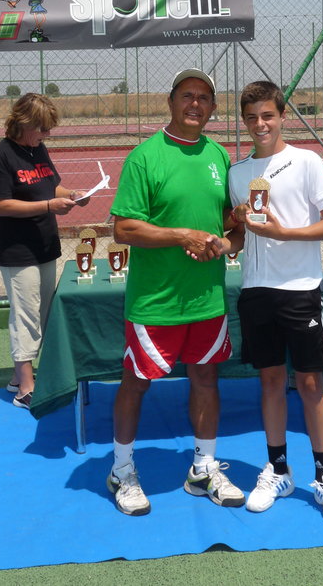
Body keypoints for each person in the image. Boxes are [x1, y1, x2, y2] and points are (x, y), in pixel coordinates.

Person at [107, 69, 244, 516]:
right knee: (136, 383)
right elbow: (124, 229)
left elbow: (230, 226)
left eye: (204, 98)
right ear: (170, 102)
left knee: (206, 379)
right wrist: (180, 235)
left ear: (213, 108)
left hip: (207, 298)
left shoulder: (219, 155)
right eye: (187, 96)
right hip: (156, 300)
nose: (195, 104)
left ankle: (203, 468)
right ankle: (121, 470)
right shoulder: (145, 157)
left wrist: (227, 237)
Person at [225, 81, 323, 523]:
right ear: (244, 121)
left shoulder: (307, 161)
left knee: (311, 384)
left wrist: (285, 233)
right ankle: (279, 471)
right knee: (271, 382)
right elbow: (239, 233)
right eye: (251, 117)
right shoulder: (237, 173)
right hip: (256, 291)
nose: (260, 124)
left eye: (267, 116)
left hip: (301, 289)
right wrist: (226, 237)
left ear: (282, 116)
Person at [0, 93, 88, 410]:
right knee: (26, 314)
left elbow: (50, 185)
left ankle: (19, 376)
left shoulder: (37, 148)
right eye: (42, 128)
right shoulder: (1, 155)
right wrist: (48, 206)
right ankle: (25, 388)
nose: (47, 134)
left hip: (45, 242)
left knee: (42, 313)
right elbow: (2, 205)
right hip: (17, 248)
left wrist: (73, 194)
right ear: (24, 123)